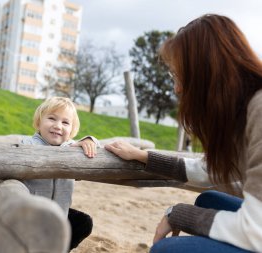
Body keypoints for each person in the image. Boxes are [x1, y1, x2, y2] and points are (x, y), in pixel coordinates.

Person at [105, 14, 262, 253]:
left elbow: (255, 231)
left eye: (179, 75)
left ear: (205, 73)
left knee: (167, 250)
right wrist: (143, 157)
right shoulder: (243, 110)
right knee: (208, 202)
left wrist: (180, 214)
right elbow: (209, 170)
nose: (177, 88)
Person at [21, 97, 99, 251]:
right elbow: (33, 156)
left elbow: (97, 149)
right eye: (51, 118)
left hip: (59, 213)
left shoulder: (71, 147)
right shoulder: (28, 144)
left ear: (71, 130)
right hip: (31, 215)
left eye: (65, 122)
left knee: (84, 223)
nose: (58, 126)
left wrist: (89, 140)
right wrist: (68, 150)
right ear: (39, 122)